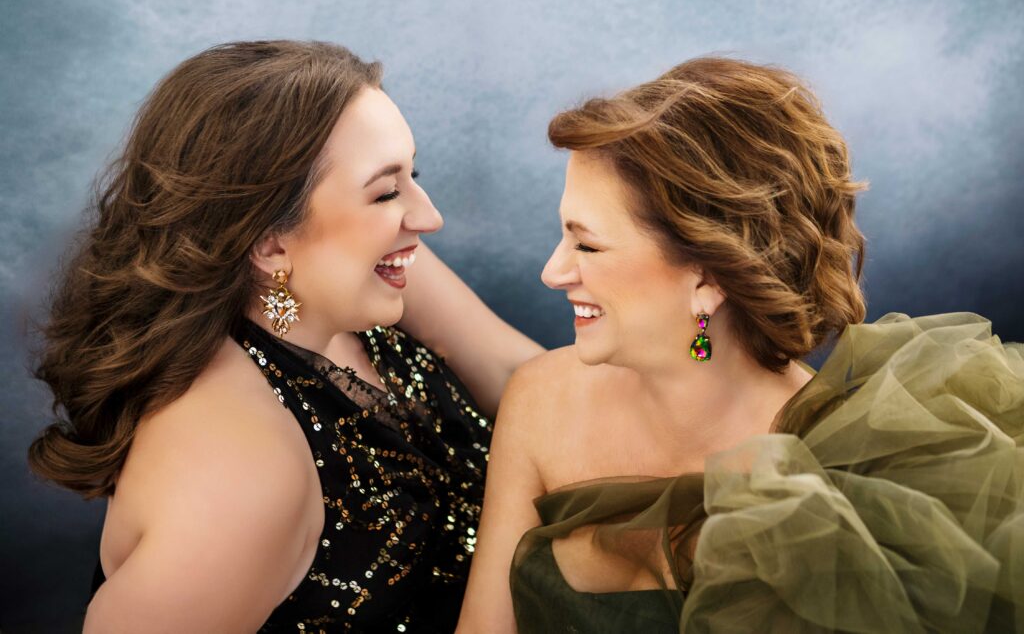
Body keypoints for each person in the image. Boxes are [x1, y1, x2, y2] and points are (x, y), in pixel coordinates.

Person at [457, 57, 1024, 632]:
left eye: (588, 246)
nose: (553, 273)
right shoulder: (540, 400)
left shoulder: (835, 478)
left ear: (707, 278)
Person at [27, 40, 543, 632]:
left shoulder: (371, 275)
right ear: (271, 242)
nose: (428, 217)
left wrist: (673, 358)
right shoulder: (242, 476)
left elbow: (522, 378)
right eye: (385, 191)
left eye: (412, 175)